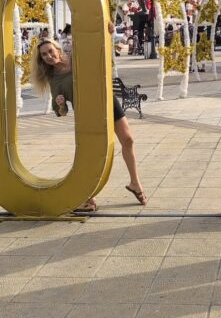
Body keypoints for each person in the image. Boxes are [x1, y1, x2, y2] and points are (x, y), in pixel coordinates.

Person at [32, 37, 147, 213]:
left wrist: (109, 31)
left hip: (106, 101)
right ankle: (88, 196)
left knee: (128, 140)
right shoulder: (54, 78)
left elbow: (98, 52)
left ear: (58, 50)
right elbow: (61, 112)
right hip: (88, 115)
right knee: (92, 154)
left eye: (50, 51)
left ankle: (135, 183)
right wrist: (61, 104)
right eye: (44, 55)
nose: (48, 56)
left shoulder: (76, 58)